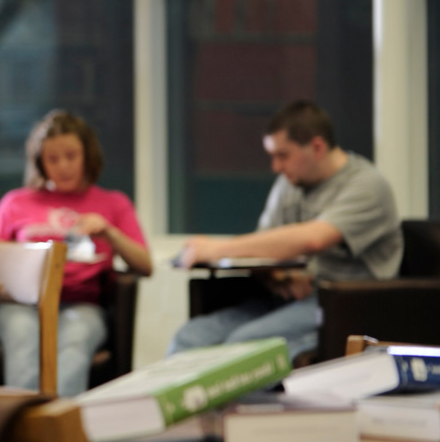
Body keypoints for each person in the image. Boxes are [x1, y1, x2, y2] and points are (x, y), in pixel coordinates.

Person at [169, 100, 402, 361]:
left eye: (283, 155)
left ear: (317, 147)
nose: (276, 167)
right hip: (286, 299)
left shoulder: (367, 185)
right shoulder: (290, 183)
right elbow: (263, 244)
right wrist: (277, 275)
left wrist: (217, 248)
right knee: (190, 338)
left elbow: (314, 239)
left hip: (340, 306)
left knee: (243, 346)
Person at [0, 110, 151, 397]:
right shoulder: (15, 202)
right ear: (40, 162)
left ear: (88, 155)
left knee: (76, 338)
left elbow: (146, 265)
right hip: (16, 303)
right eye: (52, 159)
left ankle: (57, 428)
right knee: (23, 333)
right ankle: (21, 428)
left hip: (81, 304)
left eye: (71, 156)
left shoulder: (113, 203)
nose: (63, 166)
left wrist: (109, 231)